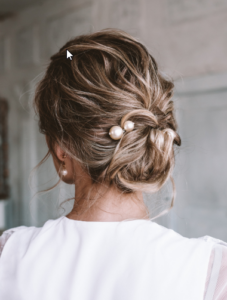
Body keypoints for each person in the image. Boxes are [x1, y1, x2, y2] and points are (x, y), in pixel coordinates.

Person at [0, 28, 226, 300]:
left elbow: (68, 57)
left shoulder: (9, 254)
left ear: (61, 150)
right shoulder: (210, 271)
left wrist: (67, 58)